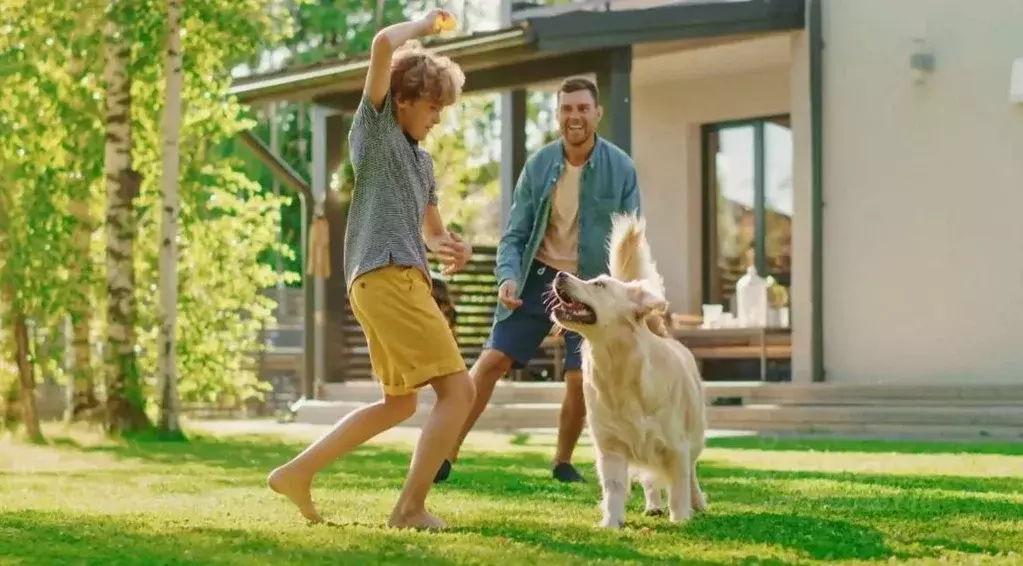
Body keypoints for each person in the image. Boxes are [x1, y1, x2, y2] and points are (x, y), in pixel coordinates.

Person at [267, 10, 476, 530]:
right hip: (389, 275)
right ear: (403, 99)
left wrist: (453, 247)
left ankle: (297, 472)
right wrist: (426, 25)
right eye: (432, 106)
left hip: (386, 279)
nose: (436, 118)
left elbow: (433, 231)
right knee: (459, 391)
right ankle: (409, 509)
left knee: (399, 404)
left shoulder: (422, 163)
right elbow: (384, 44)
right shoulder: (376, 131)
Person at [436, 76, 642, 484]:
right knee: (492, 361)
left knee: (582, 376)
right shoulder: (540, 165)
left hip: (588, 285)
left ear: (597, 113)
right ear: (558, 115)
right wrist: (508, 278)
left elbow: (630, 243)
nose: (575, 117)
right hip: (539, 275)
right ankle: (445, 453)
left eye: (583, 108)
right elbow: (514, 234)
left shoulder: (622, 168)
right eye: (567, 109)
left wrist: (626, 297)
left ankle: (562, 461)